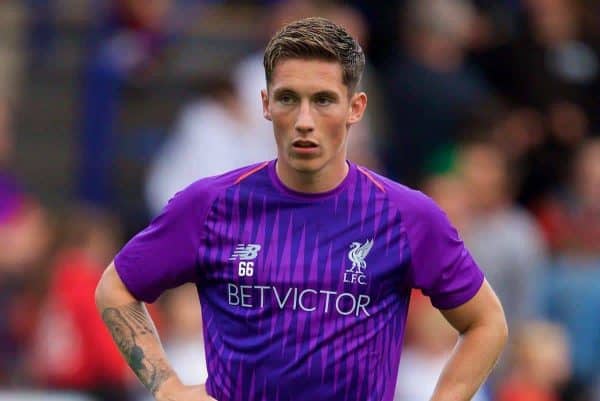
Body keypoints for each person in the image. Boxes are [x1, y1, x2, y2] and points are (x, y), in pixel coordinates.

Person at [95, 17, 508, 401]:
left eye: (324, 100)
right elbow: (116, 287)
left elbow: (487, 323)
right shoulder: (211, 205)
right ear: (266, 104)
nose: (304, 120)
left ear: (356, 108)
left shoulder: (407, 216)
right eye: (288, 98)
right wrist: (167, 387)